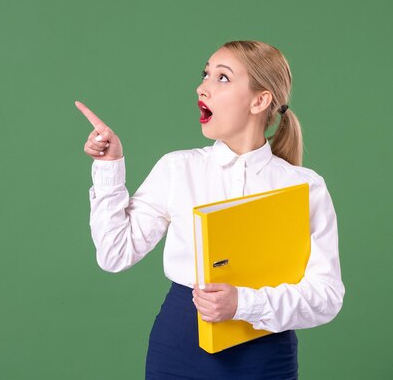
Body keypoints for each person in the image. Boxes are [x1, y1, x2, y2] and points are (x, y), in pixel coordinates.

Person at [75, 40, 344, 380]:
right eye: (205, 74)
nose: (202, 86)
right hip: (179, 348)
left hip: (265, 356)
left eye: (222, 78)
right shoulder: (178, 169)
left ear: (260, 101)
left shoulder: (304, 187)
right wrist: (109, 168)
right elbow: (114, 254)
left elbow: (326, 297)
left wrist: (243, 305)